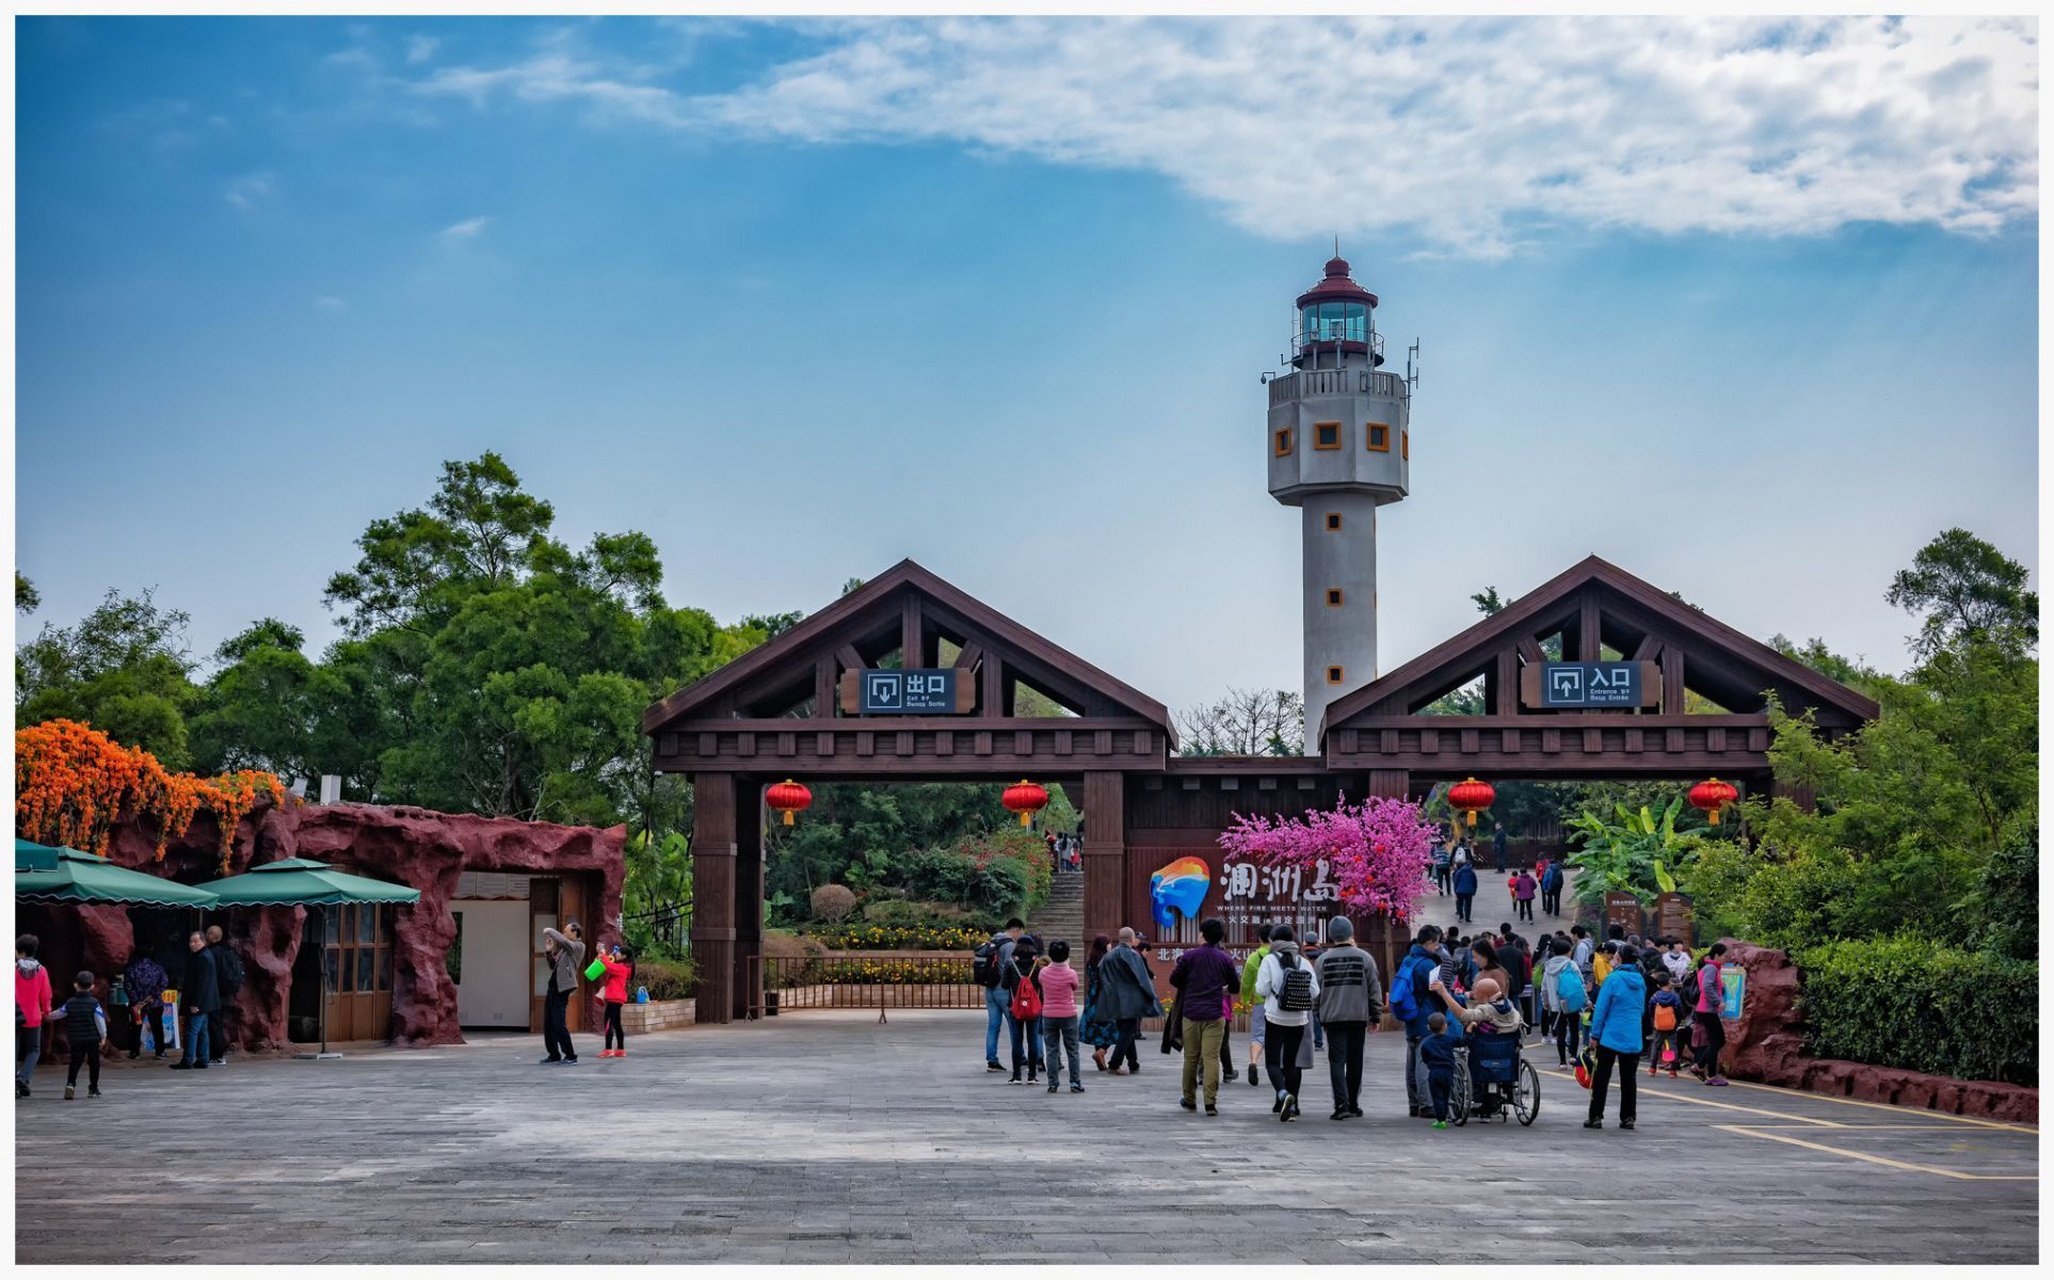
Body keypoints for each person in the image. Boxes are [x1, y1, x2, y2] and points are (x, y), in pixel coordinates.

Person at [1169, 918, 1238, 1116]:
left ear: (1202, 934)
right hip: (1215, 1015)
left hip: (1191, 1014)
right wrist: (1220, 989)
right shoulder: (1224, 959)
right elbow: (1235, 987)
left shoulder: (1189, 956)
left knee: (1191, 1058)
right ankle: (1210, 1103)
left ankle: (1190, 1100)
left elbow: (1174, 980)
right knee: (1211, 1058)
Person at [1314, 916, 1381, 1121]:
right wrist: (1375, 1015)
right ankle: (1353, 1103)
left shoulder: (1323, 960)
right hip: (1358, 1016)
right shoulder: (1365, 958)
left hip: (1333, 1018)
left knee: (1336, 1061)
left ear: (1331, 935)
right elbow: (1374, 988)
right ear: (1351, 932)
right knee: (1355, 1060)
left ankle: (1340, 1104)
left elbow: (1316, 991)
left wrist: (1318, 1014)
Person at [1253, 925, 1320, 1122]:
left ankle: (1283, 1094)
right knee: (1291, 1064)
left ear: (1273, 941)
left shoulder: (1269, 960)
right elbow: (1315, 991)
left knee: (1273, 1063)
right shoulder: (1303, 961)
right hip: (1299, 1019)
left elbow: (1262, 990)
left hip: (1275, 1017)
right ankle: (1292, 1106)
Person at [1586, 944, 1648, 1130]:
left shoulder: (1613, 979)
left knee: (1602, 1077)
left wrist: (1595, 1034)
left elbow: (1601, 1009)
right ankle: (1628, 1117)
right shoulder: (1640, 980)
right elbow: (1641, 1009)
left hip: (1610, 1035)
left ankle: (1596, 1116)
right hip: (1633, 1035)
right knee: (1629, 1079)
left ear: (1620, 958)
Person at [1393, 924, 1450, 1119]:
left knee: (1411, 1062)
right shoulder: (1427, 965)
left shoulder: (1408, 959)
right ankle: (1427, 1105)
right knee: (1424, 1062)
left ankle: (1414, 1104)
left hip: (1410, 1015)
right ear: (1429, 942)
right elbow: (1437, 991)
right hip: (1425, 1016)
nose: (1437, 947)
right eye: (1436, 943)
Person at [1096, 928, 1158, 1075]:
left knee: (1126, 1030)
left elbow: (1100, 973)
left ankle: (1133, 1063)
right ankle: (1114, 1064)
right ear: (1131, 939)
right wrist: (1150, 996)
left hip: (1113, 998)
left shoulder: (1109, 956)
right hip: (1130, 999)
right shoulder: (1134, 955)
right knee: (1127, 1030)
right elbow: (1142, 978)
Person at [1038, 939, 1085, 1095]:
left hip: (1049, 1014)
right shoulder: (1071, 973)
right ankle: (1075, 1083)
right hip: (1068, 1014)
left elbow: (1041, 983)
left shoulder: (1043, 973)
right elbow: (1075, 986)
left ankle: (1053, 1083)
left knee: (1051, 1050)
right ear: (1067, 955)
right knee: (1072, 1050)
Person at [979, 918, 1026, 1071]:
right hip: (1003, 991)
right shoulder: (1010, 945)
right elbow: (1010, 967)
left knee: (993, 1026)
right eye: (1021, 933)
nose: (1020, 936)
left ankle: (992, 1060)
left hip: (990, 990)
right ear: (1016, 930)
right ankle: (1021, 1058)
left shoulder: (993, 941)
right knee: (1014, 1025)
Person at [169, 931, 219, 1071]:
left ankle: (188, 1059)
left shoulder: (203, 958)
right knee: (202, 1031)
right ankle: (203, 1058)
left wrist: (195, 1003)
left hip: (199, 1002)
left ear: (203, 942)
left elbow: (202, 983)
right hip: (205, 1002)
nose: (192, 944)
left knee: (191, 1031)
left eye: (195, 941)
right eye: (191, 941)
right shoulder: (203, 956)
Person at [539, 920, 585, 1066]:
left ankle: (571, 1056)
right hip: (553, 988)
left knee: (559, 1023)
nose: (564, 933)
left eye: (566, 930)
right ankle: (554, 1054)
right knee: (549, 1023)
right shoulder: (564, 949)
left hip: (563, 989)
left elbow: (564, 942)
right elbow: (553, 965)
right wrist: (549, 951)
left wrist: (550, 930)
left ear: (574, 932)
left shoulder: (578, 946)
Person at [60, 971, 109, 1101]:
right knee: (94, 1063)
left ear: (76, 985)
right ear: (92, 986)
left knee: (75, 1062)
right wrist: (103, 1036)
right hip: (92, 1038)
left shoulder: (70, 1002)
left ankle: (70, 1084)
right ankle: (93, 1089)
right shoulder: (94, 1003)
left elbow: (58, 1013)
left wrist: (45, 1014)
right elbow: (100, 1020)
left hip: (75, 1038)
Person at [16, 934, 53, 1097]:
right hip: (33, 1016)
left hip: (13, 1015)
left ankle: (13, 1081)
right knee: (33, 1050)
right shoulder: (42, 970)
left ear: (20, 951)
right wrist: (47, 1010)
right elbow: (46, 994)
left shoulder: (12, 969)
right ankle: (23, 1078)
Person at [1002, 937, 1043, 1084]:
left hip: (1015, 1007)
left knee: (1017, 1041)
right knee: (1033, 1040)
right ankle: (1032, 1076)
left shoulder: (1010, 963)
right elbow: (1042, 985)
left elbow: (1004, 985)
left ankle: (1016, 1075)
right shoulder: (1037, 965)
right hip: (1033, 1008)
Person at [1690, 943, 1731, 1086]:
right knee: (1717, 1042)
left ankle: (1704, 1070)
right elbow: (1706, 986)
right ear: (1717, 956)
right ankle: (1705, 1070)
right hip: (1707, 1010)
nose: (1726, 959)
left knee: (1716, 1042)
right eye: (1725, 956)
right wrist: (1717, 1002)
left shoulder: (1709, 967)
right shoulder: (1711, 968)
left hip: (1706, 1010)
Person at [1239, 924, 1274, 1089]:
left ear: (1259, 938)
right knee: (1279, 1036)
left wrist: (1245, 1000)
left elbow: (1246, 983)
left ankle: (1253, 1062)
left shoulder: (1254, 957)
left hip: (1260, 1002)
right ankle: (1278, 1069)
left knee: (1258, 1035)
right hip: (1278, 1004)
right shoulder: (1279, 956)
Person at [1542, 936, 1586, 1068]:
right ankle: (1572, 1056)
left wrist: (1545, 1002)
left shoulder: (1548, 966)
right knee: (1573, 1029)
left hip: (1556, 1004)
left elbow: (1544, 988)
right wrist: (1586, 1000)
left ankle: (1562, 1062)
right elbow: (1580, 984)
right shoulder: (1571, 964)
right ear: (1568, 951)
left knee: (1560, 1033)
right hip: (1571, 1002)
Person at [203, 925, 244, 1065]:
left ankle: (215, 1055)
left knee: (212, 1025)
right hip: (225, 995)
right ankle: (217, 1055)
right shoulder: (226, 951)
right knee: (217, 1025)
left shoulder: (211, 953)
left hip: (213, 995)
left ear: (210, 936)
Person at [1081, 935, 1118, 1071]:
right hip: (1105, 998)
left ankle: (1100, 1058)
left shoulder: (1090, 961)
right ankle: (1102, 1051)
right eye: (1109, 943)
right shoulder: (1107, 961)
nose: (1111, 946)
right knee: (1114, 1028)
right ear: (1104, 946)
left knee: (1097, 1030)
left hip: (1092, 998)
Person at [1419, 1012, 1461, 1129]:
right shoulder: (1449, 1040)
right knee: (1446, 1095)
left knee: (1437, 1096)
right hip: (1448, 1072)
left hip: (1434, 1072)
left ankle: (1440, 1120)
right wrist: (1469, 1030)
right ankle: (1445, 1115)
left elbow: (1425, 1058)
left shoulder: (1427, 1043)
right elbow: (1463, 1041)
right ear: (1445, 1026)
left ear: (1428, 1027)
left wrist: (1430, 1064)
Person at [123, 955, 168, 1060]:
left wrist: (137, 1001)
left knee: (135, 1027)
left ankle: (135, 1052)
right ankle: (160, 1052)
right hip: (154, 1003)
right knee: (157, 1027)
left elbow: (128, 987)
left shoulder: (132, 969)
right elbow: (164, 982)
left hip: (137, 1005)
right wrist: (153, 995)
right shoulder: (158, 968)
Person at [595, 944, 632, 1057]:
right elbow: (603, 964)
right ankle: (620, 1049)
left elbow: (609, 966)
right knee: (616, 1024)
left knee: (608, 1023)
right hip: (616, 999)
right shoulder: (621, 966)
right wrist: (600, 954)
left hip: (614, 999)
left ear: (624, 956)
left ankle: (608, 1049)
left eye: (619, 952)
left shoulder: (622, 968)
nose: (616, 953)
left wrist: (603, 954)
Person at [1648, 972, 1685, 1076]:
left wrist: (1655, 1020)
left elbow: (1650, 1010)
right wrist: (1677, 1021)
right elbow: (1679, 1010)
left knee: (1656, 1046)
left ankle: (1652, 1068)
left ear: (1658, 985)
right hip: (1671, 1025)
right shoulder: (1674, 997)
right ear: (1669, 982)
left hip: (1658, 1025)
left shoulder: (1655, 997)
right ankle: (1672, 1070)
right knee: (1672, 1046)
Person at [1451, 859, 1478, 924]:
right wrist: (1474, 891)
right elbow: (1475, 882)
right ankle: (1467, 918)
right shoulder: (1472, 872)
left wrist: (1455, 890)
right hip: (1469, 891)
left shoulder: (1459, 872)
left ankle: (1461, 916)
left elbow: (1456, 882)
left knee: (1459, 904)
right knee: (1468, 905)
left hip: (1460, 891)